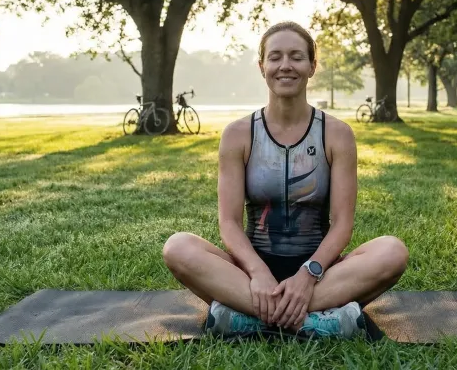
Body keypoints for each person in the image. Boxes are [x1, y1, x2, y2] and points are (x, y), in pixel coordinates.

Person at [162, 21, 408, 339]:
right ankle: (318, 321)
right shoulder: (238, 134)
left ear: (312, 66)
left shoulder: (337, 134)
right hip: (250, 274)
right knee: (178, 247)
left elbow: (342, 224)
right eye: (275, 57)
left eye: (296, 57)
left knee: (392, 251)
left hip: (321, 273)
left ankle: (249, 318)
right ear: (262, 66)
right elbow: (229, 223)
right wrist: (259, 274)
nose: (285, 66)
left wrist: (308, 275)